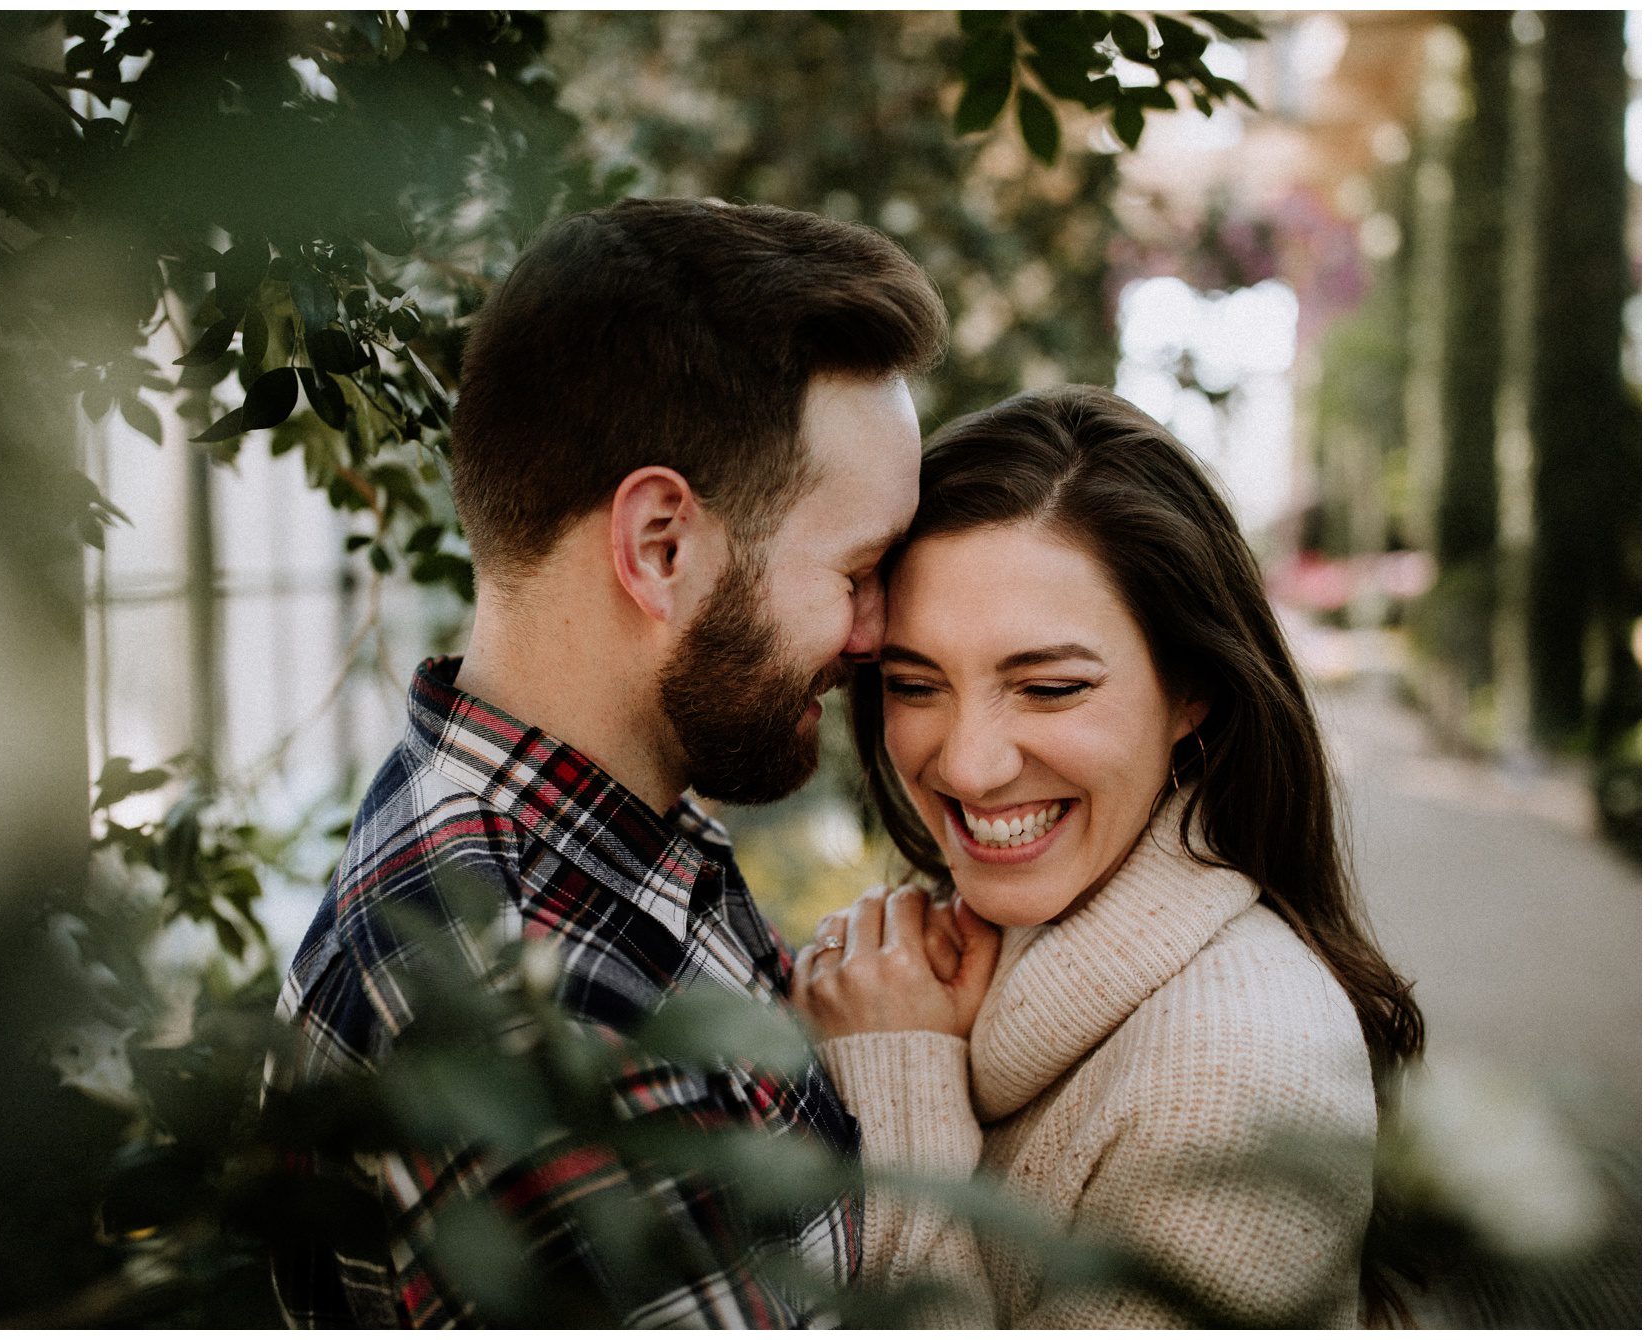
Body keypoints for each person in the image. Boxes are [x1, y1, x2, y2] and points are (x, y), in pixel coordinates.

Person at [262, 197, 948, 1326]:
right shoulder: (544, 1043)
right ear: (658, 546)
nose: (876, 633)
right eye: (857, 568)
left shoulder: (583, 842)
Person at [791, 385, 1425, 1328]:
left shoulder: (1237, 1074)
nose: (966, 763)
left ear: (1193, 692)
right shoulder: (947, 962)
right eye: (915, 684)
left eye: (1049, 688)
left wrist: (899, 1100)